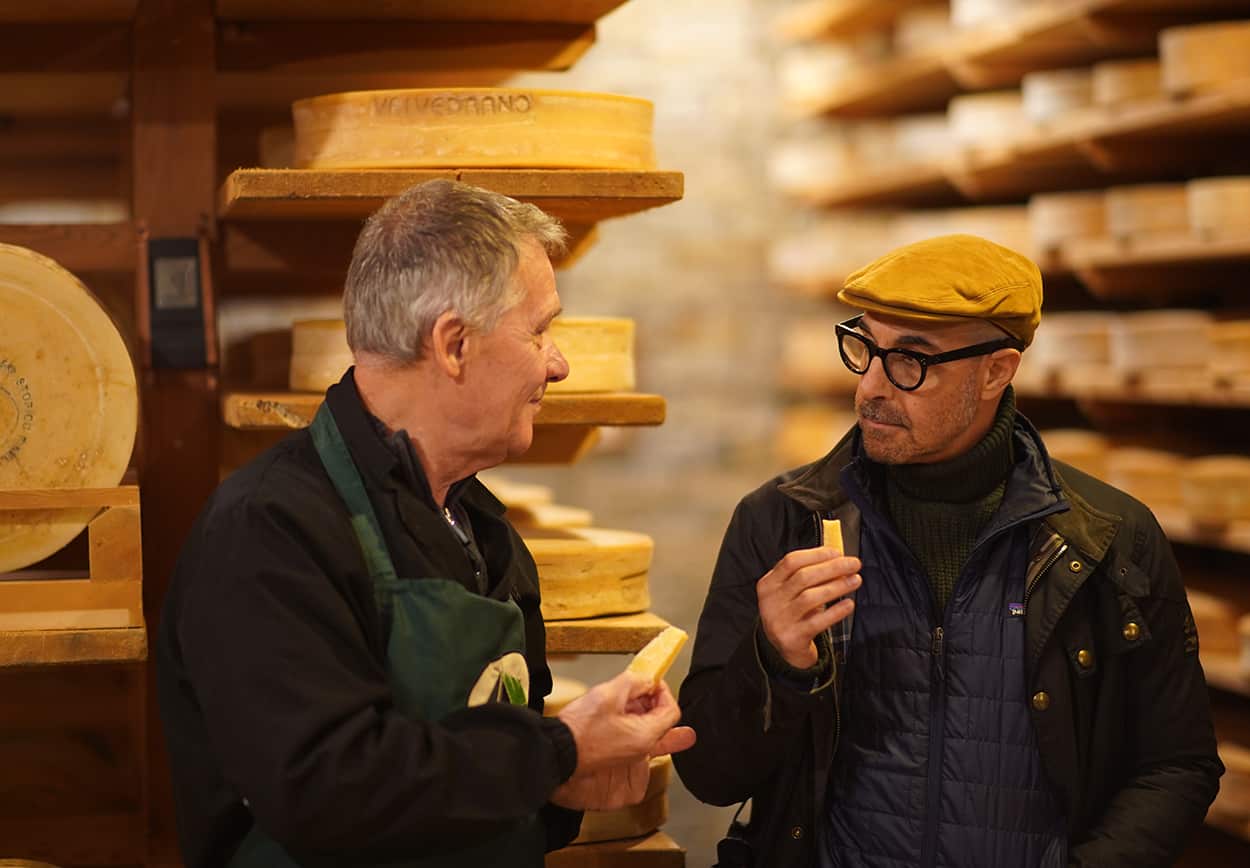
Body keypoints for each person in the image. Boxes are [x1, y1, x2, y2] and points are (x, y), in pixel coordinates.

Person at [156, 179, 694, 868]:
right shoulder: (269, 532)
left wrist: (564, 787)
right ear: (454, 344)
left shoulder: (487, 534)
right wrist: (557, 751)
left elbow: (486, 783)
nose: (558, 364)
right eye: (539, 330)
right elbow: (328, 792)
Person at [675, 234, 1222, 868]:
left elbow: (1175, 764)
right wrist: (773, 662)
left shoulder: (1107, 539)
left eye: (912, 359)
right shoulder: (781, 522)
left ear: (998, 370)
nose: (872, 387)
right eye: (866, 347)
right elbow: (708, 773)